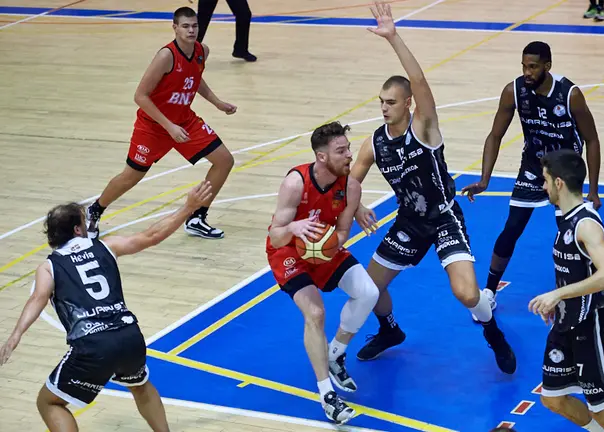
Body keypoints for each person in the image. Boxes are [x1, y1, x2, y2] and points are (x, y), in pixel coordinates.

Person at [350, 2, 517, 374]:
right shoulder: (373, 143)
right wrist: (356, 205)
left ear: (408, 104)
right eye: (380, 102)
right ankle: (390, 331)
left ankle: (493, 334)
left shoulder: (423, 128)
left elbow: (422, 82)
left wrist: (393, 37)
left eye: (391, 102)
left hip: (443, 219)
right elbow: (350, 181)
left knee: (468, 294)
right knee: (367, 289)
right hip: (408, 222)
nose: (383, 108)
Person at [0, 180, 214, 432]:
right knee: (141, 386)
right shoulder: (106, 246)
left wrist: (16, 335)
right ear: (78, 230)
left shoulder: (49, 267)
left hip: (93, 345)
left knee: (49, 403)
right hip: (129, 336)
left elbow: (37, 299)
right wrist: (188, 207)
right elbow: (152, 235)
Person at [461, 41, 602, 323]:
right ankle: (490, 290)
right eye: (524, 66)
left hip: (565, 170)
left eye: (533, 66)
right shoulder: (514, 90)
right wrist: (484, 179)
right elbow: (495, 135)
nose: (527, 71)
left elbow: (592, 139)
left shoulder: (569, 94)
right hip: (533, 166)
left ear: (547, 66)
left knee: (572, 233)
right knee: (512, 228)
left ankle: (592, 291)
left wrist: (593, 190)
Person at [86, 7, 236, 241]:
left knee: (225, 160)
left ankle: (197, 217)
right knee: (131, 177)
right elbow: (140, 96)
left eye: (194, 26)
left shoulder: (201, 51)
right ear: (175, 27)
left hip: (184, 120)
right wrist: (169, 127)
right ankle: (94, 210)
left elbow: (194, 79)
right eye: (185, 26)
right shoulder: (166, 56)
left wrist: (217, 103)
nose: (191, 30)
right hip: (154, 126)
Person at [266, 122, 380, 425]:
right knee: (315, 313)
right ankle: (327, 395)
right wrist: (294, 228)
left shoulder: (351, 187)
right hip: (288, 252)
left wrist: (323, 247)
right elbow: (276, 235)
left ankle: (335, 354)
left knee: (369, 292)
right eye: (341, 151)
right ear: (321, 157)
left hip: (323, 251)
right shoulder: (295, 183)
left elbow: (342, 231)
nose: (349, 156)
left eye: (348, 149)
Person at [528, 149, 604, 432]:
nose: (543, 186)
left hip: (594, 324)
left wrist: (557, 295)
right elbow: (573, 270)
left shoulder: (585, 223)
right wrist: (558, 301)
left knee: (602, 409)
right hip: (567, 321)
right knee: (552, 398)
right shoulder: (564, 216)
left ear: (559, 183)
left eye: (545, 180)